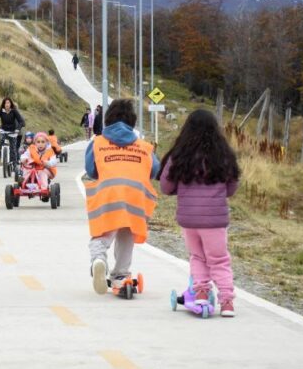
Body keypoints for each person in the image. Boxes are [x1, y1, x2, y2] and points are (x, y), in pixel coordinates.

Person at [159, 109, 240, 317]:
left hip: (189, 218)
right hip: (215, 220)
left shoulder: (179, 155)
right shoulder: (223, 155)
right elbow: (231, 188)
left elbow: (166, 187)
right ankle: (227, 302)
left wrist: (183, 190)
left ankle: (201, 293)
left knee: (197, 256)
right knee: (219, 259)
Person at [84, 99, 160, 294]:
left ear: (108, 120)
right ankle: (120, 274)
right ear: (132, 122)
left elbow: (91, 170)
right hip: (136, 197)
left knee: (104, 232)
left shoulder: (97, 143)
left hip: (108, 193)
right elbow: (154, 171)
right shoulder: (143, 146)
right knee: (127, 232)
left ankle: (99, 259)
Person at [0, 97, 26, 164]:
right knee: (1, 140)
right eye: (5, 103)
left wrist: (18, 129)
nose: (7, 104)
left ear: (11, 104)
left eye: (8, 103)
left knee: (13, 148)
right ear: (3, 104)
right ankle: (1, 152)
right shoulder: (1, 111)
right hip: (3, 129)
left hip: (13, 131)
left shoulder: (14, 111)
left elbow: (21, 121)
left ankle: (15, 166)